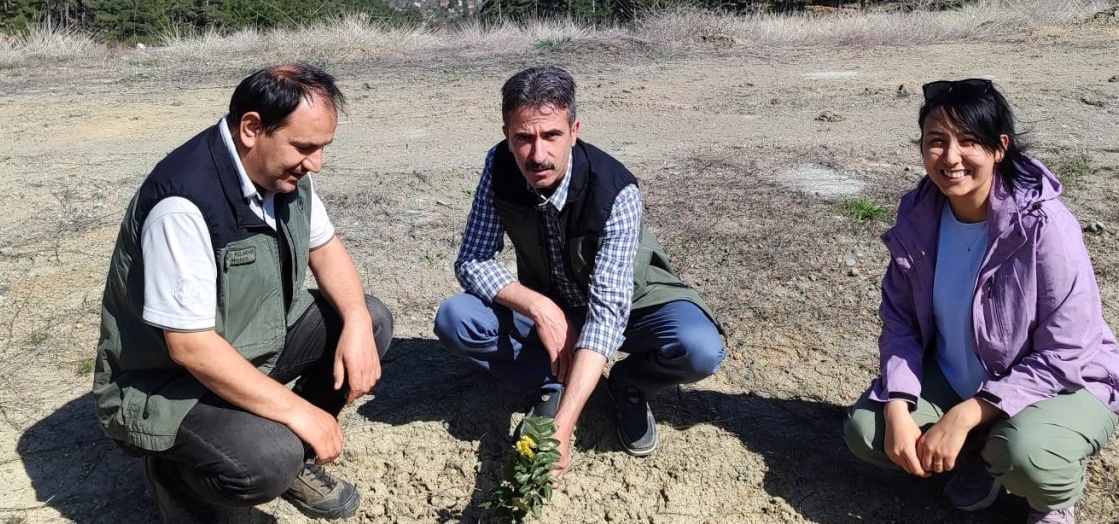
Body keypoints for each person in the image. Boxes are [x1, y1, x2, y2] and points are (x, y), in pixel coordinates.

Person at [92, 64, 393, 522]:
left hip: (248, 342)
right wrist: (299, 412)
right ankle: (174, 476)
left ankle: (288, 445)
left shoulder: (283, 176)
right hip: (164, 382)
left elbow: (325, 246)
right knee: (269, 459)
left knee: (370, 320)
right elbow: (190, 347)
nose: (316, 164)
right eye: (305, 147)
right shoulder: (185, 205)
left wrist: (353, 322)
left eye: (323, 148)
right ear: (252, 128)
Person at [842, 79, 1119, 524]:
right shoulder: (919, 214)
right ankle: (981, 455)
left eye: (968, 142)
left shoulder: (1044, 225)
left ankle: (1049, 498)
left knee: (1028, 457)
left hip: (1066, 383)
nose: (951, 157)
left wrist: (963, 416)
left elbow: (1067, 350)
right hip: (962, 375)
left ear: (999, 147)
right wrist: (899, 404)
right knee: (869, 431)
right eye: (936, 142)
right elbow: (900, 321)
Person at [434, 66, 725, 474]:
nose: (537, 155)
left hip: (630, 305)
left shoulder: (616, 189)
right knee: (457, 320)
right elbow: (472, 260)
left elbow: (608, 313)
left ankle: (629, 384)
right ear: (507, 135)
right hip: (554, 300)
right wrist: (540, 308)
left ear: (574, 130)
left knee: (698, 348)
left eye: (551, 135)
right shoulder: (498, 166)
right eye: (523, 138)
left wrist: (562, 427)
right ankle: (551, 380)